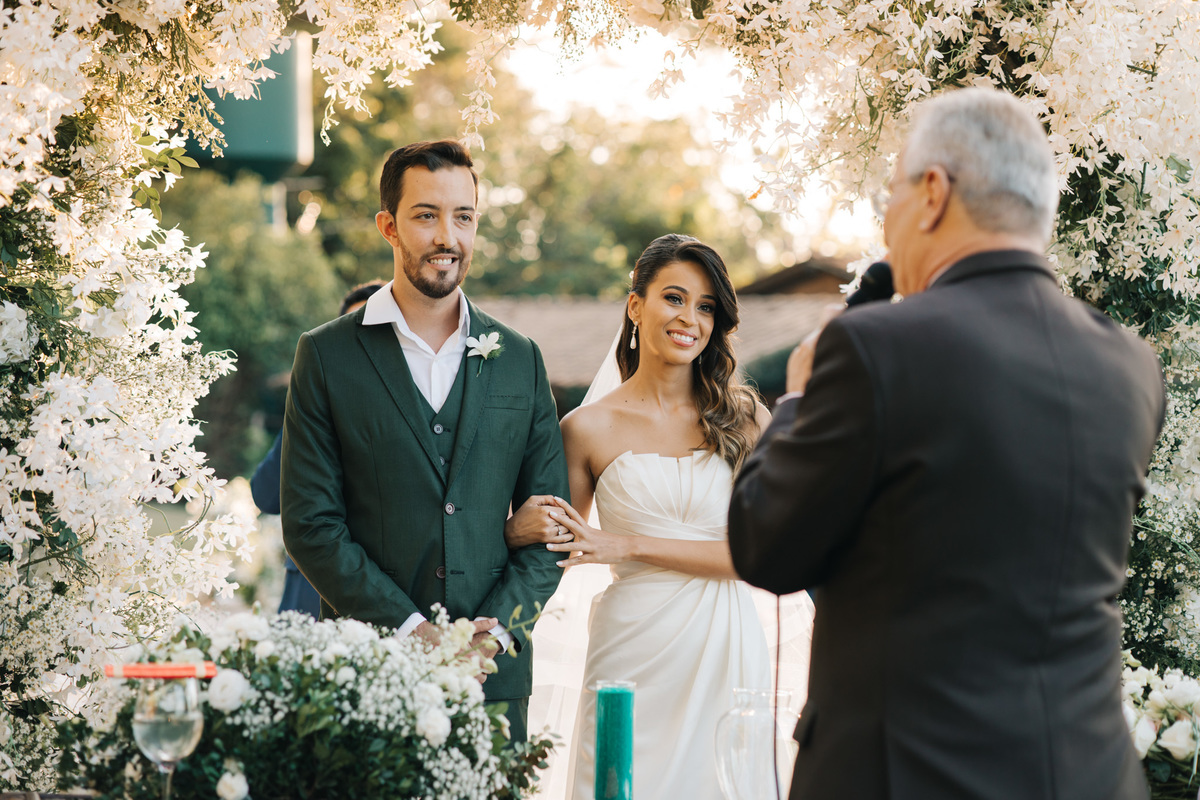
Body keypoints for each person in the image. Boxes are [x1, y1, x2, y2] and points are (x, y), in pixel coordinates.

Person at [728, 86, 1165, 800]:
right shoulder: (1129, 365)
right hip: (1087, 775)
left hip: (910, 776)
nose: (887, 215)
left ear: (933, 192)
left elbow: (765, 546)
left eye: (891, 189)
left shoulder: (875, 349)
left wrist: (800, 398)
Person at [280, 140, 570, 742]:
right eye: (426, 215)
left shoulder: (520, 358)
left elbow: (553, 529)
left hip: (492, 679)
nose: (448, 236)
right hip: (368, 668)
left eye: (463, 216)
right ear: (389, 225)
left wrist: (490, 636)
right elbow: (311, 525)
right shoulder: (327, 356)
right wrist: (415, 632)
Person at [507, 234, 774, 800]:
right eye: (674, 298)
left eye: (706, 307)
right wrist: (513, 529)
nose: (690, 319)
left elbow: (761, 554)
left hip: (722, 643)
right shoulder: (585, 428)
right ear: (636, 306)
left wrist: (624, 545)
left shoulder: (745, 419)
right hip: (630, 646)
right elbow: (552, 548)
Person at [250, 279, 386, 617]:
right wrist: (306, 413)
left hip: (387, 604)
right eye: (354, 332)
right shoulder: (313, 403)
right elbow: (266, 496)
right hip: (308, 598)